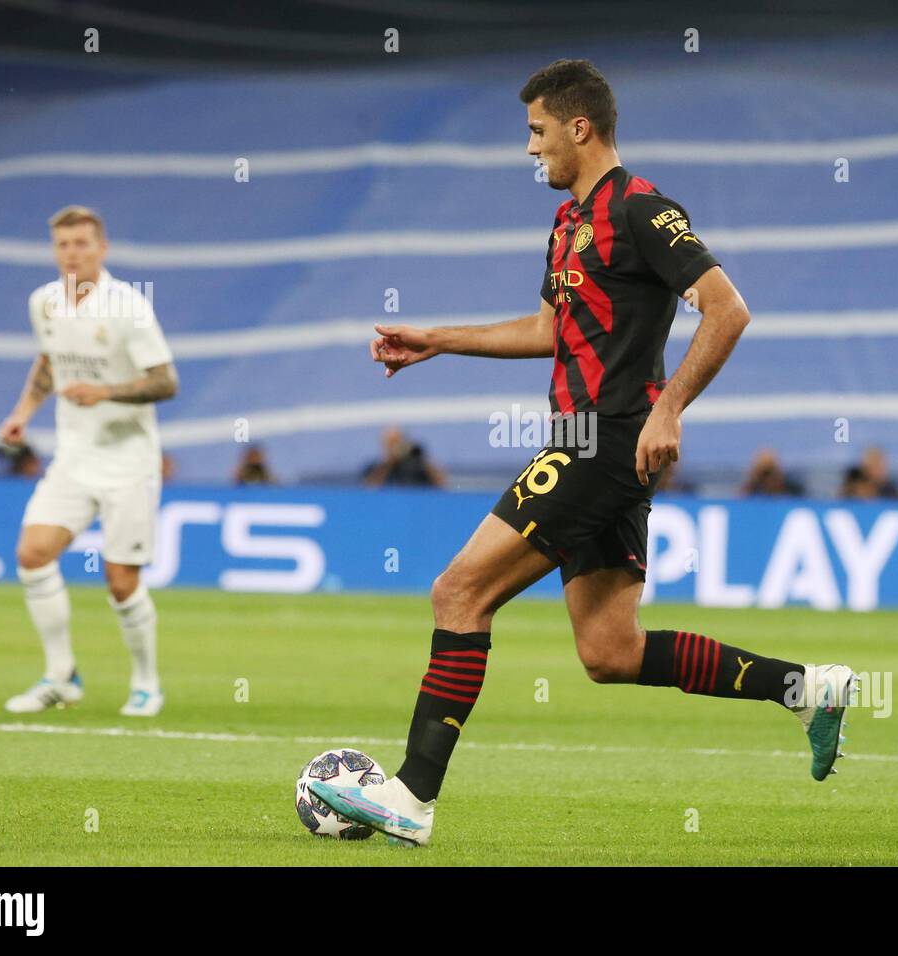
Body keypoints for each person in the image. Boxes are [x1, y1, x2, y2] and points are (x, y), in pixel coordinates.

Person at [307, 59, 858, 846]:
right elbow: (546, 332)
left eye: (536, 132)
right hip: (588, 444)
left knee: (458, 594)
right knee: (609, 651)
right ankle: (807, 688)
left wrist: (668, 408)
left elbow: (727, 310)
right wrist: (436, 339)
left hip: (600, 442)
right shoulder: (568, 224)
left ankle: (412, 797)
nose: (530, 149)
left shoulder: (643, 210)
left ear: (579, 127)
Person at [0, 206, 178, 717]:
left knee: (121, 581)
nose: (72, 253)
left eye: (82, 244)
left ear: (102, 248)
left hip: (128, 461)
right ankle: (61, 676)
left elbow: (166, 381)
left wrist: (105, 392)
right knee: (33, 554)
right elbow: (49, 361)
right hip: (73, 456)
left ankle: (146, 683)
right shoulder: (45, 303)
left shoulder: (128, 308)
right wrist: (23, 413)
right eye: (63, 245)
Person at [361, 426, 445, 487]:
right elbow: (370, 488)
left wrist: (422, 459)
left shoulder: (416, 467)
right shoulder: (374, 467)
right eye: (391, 444)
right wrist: (390, 463)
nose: (394, 447)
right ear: (384, 445)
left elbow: (442, 484)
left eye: (397, 442)